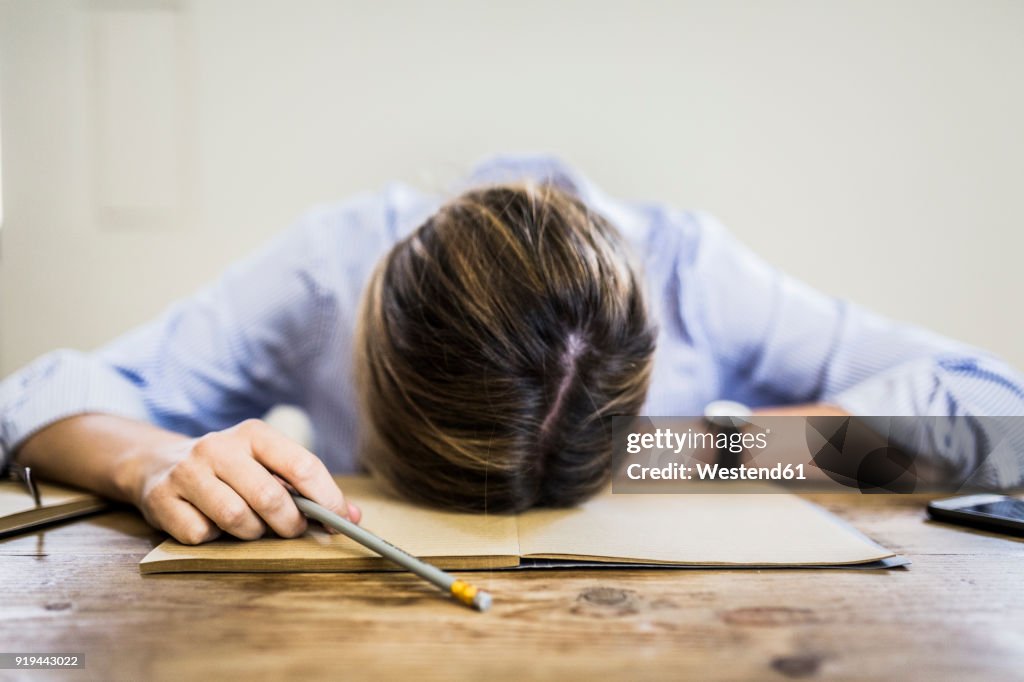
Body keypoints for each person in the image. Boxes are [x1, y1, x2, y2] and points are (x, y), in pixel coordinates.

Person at [2, 155, 1022, 545]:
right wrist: (153, 457)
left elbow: (997, 407)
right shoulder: (329, 265)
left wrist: (700, 453)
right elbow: (36, 397)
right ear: (366, 335)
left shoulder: (689, 269)